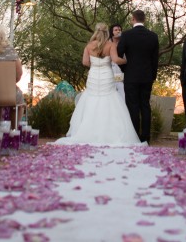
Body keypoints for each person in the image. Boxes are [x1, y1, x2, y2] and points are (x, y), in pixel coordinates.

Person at [55, 23, 145, 146]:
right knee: (109, 100)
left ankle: (88, 131)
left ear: (96, 33)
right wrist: (127, 60)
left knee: (91, 100)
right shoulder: (110, 45)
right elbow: (116, 60)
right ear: (107, 33)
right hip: (107, 75)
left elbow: (85, 62)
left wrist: (95, 64)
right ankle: (110, 132)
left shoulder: (89, 46)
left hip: (93, 76)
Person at [117, 10, 161, 143]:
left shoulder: (126, 35)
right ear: (144, 19)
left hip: (131, 76)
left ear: (133, 19)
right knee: (145, 106)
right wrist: (152, 75)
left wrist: (126, 69)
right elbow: (155, 59)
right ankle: (146, 137)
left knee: (133, 106)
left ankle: (134, 136)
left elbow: (119, 54)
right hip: (147, 76)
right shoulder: (153, 36)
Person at [109, 23, 125, 97]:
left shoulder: (124, 43)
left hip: (121, 72)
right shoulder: (107, 43)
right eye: (116, 30)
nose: (118, 31)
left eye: (119, 30)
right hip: (109, 72)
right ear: (112, 32)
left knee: (121, 92)